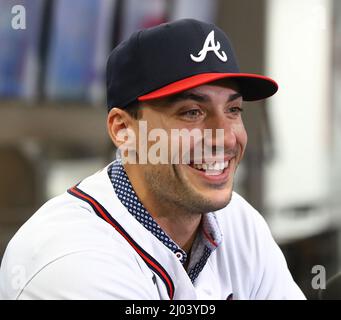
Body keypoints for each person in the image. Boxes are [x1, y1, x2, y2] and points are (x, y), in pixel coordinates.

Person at [0, 19, 305, 300]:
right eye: (191, 112)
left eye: (233, 110)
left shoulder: (239, 222)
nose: (225, 137)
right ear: (123, 129)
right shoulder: (70, 258)